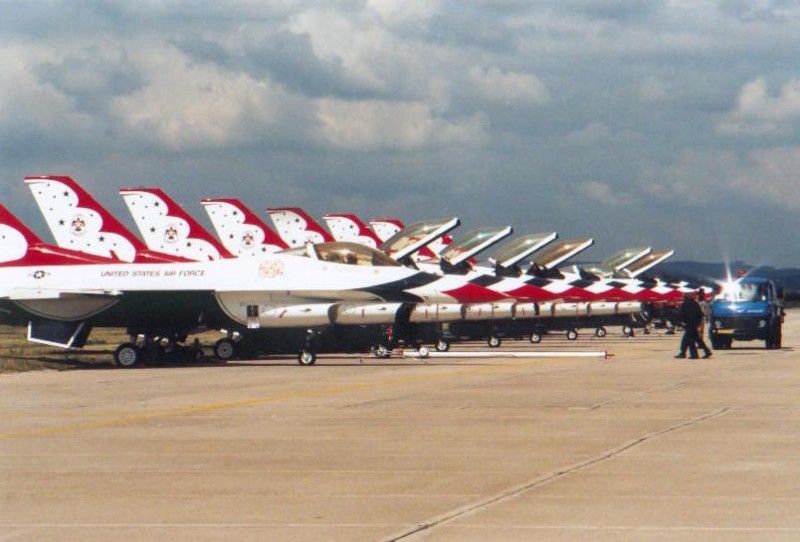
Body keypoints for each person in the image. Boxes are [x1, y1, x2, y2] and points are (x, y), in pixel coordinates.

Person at [675, 292, 703, 359]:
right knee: (695, 338)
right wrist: (698, 323)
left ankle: (692, 354)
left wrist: (679, 321)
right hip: (694, 323)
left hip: (689, 324)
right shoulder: (695, 303)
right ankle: (706, 351)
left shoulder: (685, 304)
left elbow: (681, 314)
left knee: (689, 339)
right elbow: (700, 314)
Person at [695, 289, 712, 358]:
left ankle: (700, 342)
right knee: (699, 330)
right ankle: (701, 343)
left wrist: (707, 316)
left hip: (701, 317)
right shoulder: (700, 302)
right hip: (700, 317)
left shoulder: (702, 302)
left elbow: (707, 310)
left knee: (700, 330)